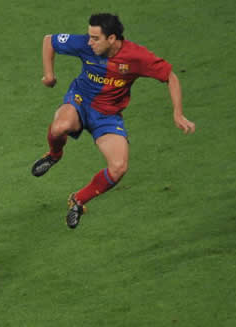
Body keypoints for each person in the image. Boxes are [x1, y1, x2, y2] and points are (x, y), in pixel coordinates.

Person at [31, 13, 196, 229]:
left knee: (119, 167)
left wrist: (178, 113)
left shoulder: (136, 57)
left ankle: (78, 201)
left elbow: (170, 76)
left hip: (108, 116)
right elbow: (49, 40)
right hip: (80, 100)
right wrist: (49, 75)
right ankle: (54, 155)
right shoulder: (85, 44)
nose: (89, 42)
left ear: (112, 39)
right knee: (60, 127)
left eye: (95, 38)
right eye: (89, 36)